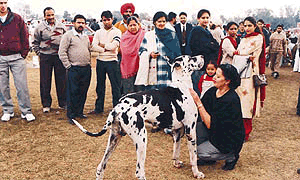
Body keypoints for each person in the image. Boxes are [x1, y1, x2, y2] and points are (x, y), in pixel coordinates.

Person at [190, 64, 244, 170]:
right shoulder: (212, 91)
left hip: (227, 140)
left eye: (218, 77)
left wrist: (198, 103)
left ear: (227, 81)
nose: (214, 78)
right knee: (194, 128)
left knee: (200, 152)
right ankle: (209, 158)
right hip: (216, 132)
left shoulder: (231, 99)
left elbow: (210, 124)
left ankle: (231, 156)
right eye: (215, 75)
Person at [0, 0, 35, 122]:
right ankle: (7, 110)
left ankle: (26, 111)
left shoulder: (17, 18)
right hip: (1, 58)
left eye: (4, 2)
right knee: (2, 86)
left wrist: (24, 53)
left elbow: (24, 36)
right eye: (0, 3)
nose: (3, 5)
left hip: (17, 57)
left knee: (21, 85)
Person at [235, 17, 266, 141]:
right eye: (245, 26)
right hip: (240, 71)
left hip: (251, 72)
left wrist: (240, 55)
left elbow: (244, 53)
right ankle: (238, 130)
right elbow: (239, 53)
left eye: (249, 26)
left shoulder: (259, 38)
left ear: (254, 26)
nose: (247, 28)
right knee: (238, 100)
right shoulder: (243, 39)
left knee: (247, 101)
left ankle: (246, 132)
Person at [32, 7, 67, 113]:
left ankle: (63, 103)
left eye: (52, 15)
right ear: (44, 16)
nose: (51, 17)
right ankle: (46, 104)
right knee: (45, 81)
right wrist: (40, 53)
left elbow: (66, 40)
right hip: (45, 57)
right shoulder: (39, 27)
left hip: (58, 57)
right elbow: (35, 42)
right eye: (48, 15)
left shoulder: (61, 26)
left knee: (62, 81)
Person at [58, 14, 91, 125]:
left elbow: (89, 49)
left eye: (83, 23)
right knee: (73, 92)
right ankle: (71, 115)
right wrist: (68, 66)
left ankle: (79, 112)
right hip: (74, 69)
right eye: (78, 22)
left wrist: (105, 48)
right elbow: (62, 52)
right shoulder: (68, 36)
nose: (81, 25)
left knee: (83, 91)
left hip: (86, 68)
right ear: (73, 23)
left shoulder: (85, 36)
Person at [135, 11, 181, 89]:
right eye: (159, 21)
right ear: (154, 22)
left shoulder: (172, 34)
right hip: (154, 70)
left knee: (167, 95)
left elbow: (177, 53)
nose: (161, 23)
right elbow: (141, 51)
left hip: (168, 70)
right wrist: (150, 54)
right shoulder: (149, 35)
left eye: (164, 21)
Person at [89, 10, 122, 114]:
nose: (106, 22)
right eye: (104, 20)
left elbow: (114, 46)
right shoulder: (98, 32)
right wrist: (104, 48)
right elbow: (93, 46)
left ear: (112, 19)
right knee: (100, 86)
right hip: (100, 61)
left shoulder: (117, 31)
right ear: (101, 20)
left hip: (112, 61)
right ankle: (98, 109)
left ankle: (117, 109)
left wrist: (102, 45)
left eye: (108, 20)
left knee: (115, 86)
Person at [188, 9, 219, 96]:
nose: (205, 20)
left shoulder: (206, 31)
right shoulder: (197, 30)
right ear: (198, 19)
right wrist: (211, 45)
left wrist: (212, 45)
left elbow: (216, 45)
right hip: (199, 66)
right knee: (199, 90)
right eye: (203, 18)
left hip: (205, 65)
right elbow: (206, 47)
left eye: (207, 18)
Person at [120, 16, 146, 94]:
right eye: (130, 25)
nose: (133, 27)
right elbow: (124, 52)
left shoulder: (144, 35)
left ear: (138, 25)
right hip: (128, 68)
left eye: (134, 25)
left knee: (141, 92)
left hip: (141, 68)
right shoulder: (124, 37)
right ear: (127, 26)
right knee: (129, 92)